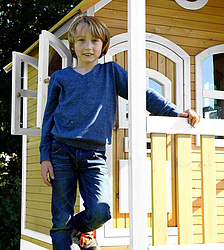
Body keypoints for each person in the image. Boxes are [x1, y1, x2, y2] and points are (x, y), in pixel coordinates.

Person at [40, 16, 200, 250]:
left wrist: (174, 113)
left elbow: (143, 94)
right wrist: (45, 157)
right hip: (60, 151)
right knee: (60, 216)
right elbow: (48, 119)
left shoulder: (111, 72)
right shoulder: (60, 78)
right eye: (82, 40)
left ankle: (79, 229)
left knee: (100, 211)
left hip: (94, 155)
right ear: (73, 44)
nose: (88, 46)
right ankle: (65, 231)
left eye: (95, 41)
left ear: (103, 46)